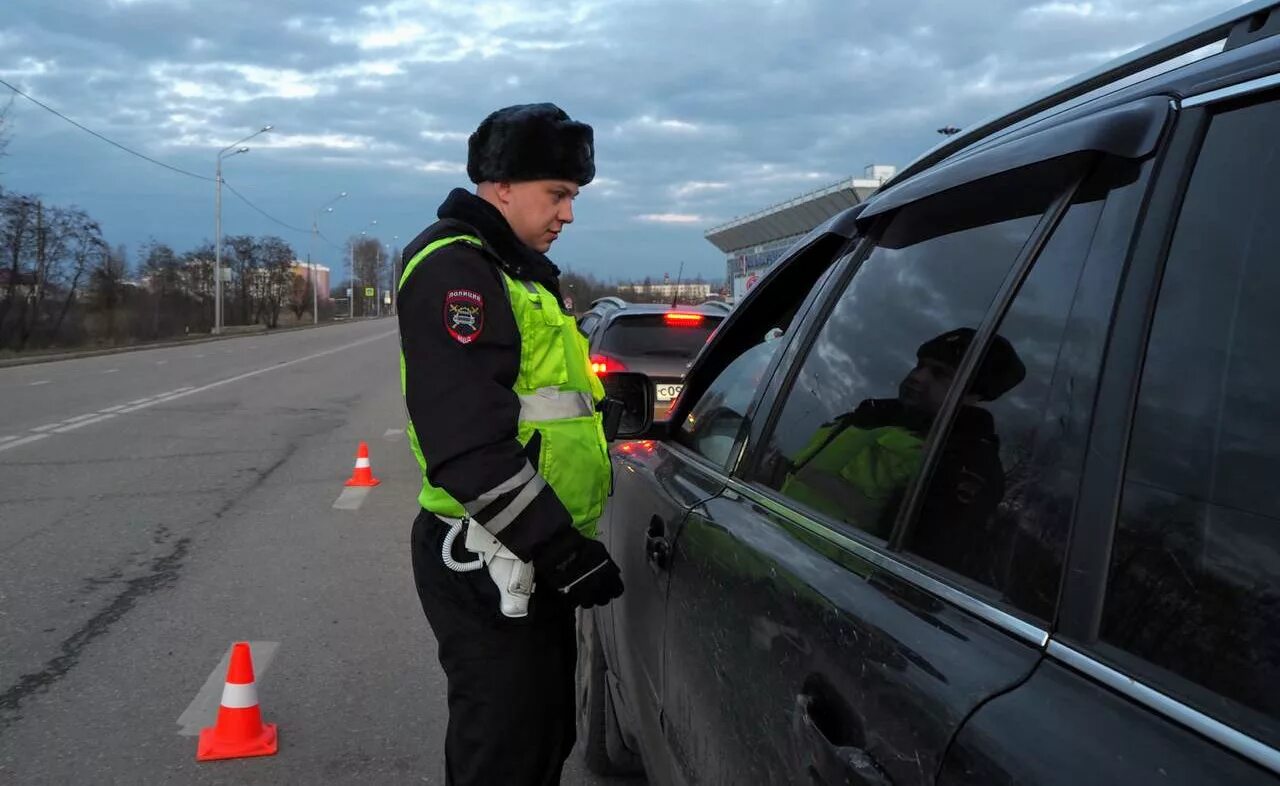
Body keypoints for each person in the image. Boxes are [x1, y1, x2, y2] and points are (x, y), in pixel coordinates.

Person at [397, 103, 624, 786]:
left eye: (573, 196)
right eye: (558, 193)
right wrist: (562, 550)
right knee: (504, 751)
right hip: (491, 557)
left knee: (542, 735)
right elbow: (467, 443)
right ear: (503, 184)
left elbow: (552, 408)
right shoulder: (457, 270)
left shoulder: (519, 273)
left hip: (527, 555)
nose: (568, 214)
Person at [780, 328, 1025, 550]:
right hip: (771, 556)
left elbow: (923, 560)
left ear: (972, 394)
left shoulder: (964, 462)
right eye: (920, 366)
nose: (919, 376)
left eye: (940, 374)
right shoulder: (870, 417)